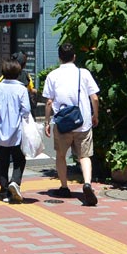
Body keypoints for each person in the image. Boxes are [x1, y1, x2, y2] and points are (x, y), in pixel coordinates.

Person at [42, 42, 101, 206]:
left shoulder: (53, 75)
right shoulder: (84, 74)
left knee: (61, 155)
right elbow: (94, 98)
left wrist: (47, 122)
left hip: (62, 124)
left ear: (59, 57)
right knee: (84, 155)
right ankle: (87, 183)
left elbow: (48, 102)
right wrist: (95, 116)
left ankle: (64, 187)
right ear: (74, 57)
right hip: (83, 122)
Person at [0, 57, 32, 203]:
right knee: (19, 159)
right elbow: (26, 110)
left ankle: (4, 191)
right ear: (18, 72)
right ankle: (15, 182)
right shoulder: (21, 89)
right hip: (16, 130)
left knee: (1, 162)